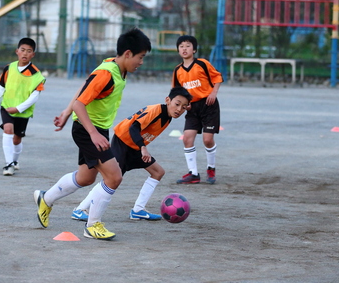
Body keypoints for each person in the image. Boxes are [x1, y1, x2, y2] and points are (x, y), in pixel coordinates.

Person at [34, 28, 151, 240]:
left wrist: (66, 112)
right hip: (88, 130)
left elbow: (84, 87)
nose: (141, 62)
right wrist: (91, 131)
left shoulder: (115, 68)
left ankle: (46, 198)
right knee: (114, 177)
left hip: (96, 128)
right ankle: (93, 225)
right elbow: (81, 103)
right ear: (127, 54)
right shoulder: (107, 73)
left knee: (86, 177)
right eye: (140, 57)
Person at [71, 86, 193, 222]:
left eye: (183, 107)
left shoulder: (168, 115)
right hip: (123, 142)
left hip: (135, 147)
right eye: (177, 104)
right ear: (167, 100)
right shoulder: (156, 110)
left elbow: (183, 106)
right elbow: (133, 127)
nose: (179, 109)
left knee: (158, 172)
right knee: (111, 179)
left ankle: (138, 210)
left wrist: (186, 104)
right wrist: (143, 147)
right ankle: (80, 209)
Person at [0, 37, 45, 176]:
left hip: (23, 111)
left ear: (33, 54)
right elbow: (0, 87)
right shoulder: (9, 68)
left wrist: (19, 108)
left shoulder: (37, 75)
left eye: (29, 51)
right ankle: (8, 164)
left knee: (17, 138)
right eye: (22, 50)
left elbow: (35, 97)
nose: (25, 54)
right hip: (7, 106)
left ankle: (15, 161)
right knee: (8, 129)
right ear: (17, 51)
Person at [172, 35, 223, 184]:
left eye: (187, 46)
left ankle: (211, 169)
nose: (184, 49)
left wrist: (213, 93)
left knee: (207, 140)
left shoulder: (202, 64)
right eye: (181, 46)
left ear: (194, 49)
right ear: (178, 50)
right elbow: (177, 91)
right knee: (187, 138)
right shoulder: (177, 71)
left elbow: (217, 77)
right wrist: (182, 105)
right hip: (192, 108)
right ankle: (193, 174)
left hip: (209, 105)